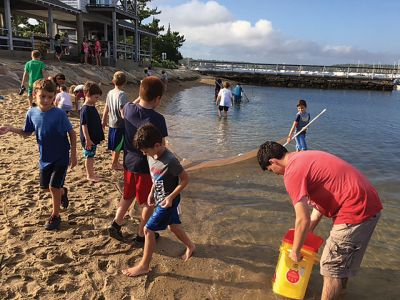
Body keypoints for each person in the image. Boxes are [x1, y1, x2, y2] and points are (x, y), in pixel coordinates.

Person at [257, 141, 383, 300]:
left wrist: (295, 252)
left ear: (273, 161)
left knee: (330, 267)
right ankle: (341, 294)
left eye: (272, 170)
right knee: (341, 265)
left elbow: (301, 219)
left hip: (354, 209)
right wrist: (304, 237)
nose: (276, 174)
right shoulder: (303, 158)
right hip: (370, 207)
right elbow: (316, 213)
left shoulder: (292, 172)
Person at [0, 79, 77, 230]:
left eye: (50, 97)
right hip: (45, 158)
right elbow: (27, 132)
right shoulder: (31, 112)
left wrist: (73, 154)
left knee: (53, 187)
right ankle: (63, 192)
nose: (46, 100)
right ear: (35, 95)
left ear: (54, 96)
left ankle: (55, 215)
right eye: (43, 96)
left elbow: (72, 133)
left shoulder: (59, 114)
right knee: (45, 188)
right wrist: (10, 129)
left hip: (61, 156)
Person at [122, 123, 195, 277]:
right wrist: (151, 192)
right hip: (160, 198)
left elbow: (185, 180)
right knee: (173, 227)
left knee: (148, 230)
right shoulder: (151, 156)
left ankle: (144, 265)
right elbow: (156, 177)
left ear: (157, 145)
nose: (144, 154)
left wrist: (170, 197)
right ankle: (191, 246)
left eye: (146, 151)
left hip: (168, 201)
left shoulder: (170, 160)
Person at [108, 76, 168, 245]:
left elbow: (129, 106)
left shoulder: (128, 108)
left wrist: (139, 98)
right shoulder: (158, 119)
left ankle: (116, 223)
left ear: (140, 94)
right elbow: (160, 146)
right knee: (148, 202)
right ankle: (142, 233)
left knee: (128, 195)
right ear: (158, 99)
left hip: (129, 163)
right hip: (146, 168)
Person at [102, 71, 128, 171]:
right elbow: (122, 109)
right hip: (120, 123)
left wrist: (104, 119)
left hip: (111, 122)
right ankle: (114, 164)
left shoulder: (110, 92)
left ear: (113, 81)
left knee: (114, 143)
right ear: (124, 82)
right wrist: (126, 119)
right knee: (118, 145)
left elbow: (106, 106)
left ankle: (115, 161)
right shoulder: (122, 94)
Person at [80, 82, 105, 182]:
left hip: (93, 137)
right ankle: (89, 175)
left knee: (91, 155)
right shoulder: (85, 109)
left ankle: (91, 172)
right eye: (96, 97)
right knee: (89, 156)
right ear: (87, 94)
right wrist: (88, 139)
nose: (97, 100)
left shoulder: (91, 106)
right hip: (89, 138)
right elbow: (84, 125)